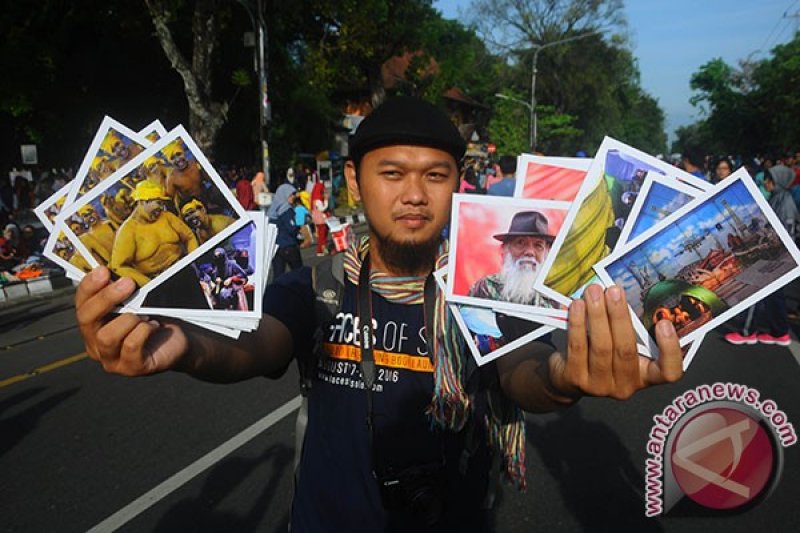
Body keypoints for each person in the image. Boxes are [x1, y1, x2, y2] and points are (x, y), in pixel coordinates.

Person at [74, 96, 683, 532]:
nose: (413, 194)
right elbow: (255, 344)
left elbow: (524, 373)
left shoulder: (485, 292)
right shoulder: (316, 285)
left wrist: (567, 377)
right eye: (391, 173)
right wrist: (185, 346)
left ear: (457, 184)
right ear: (354, 181)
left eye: (434, 176)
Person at [724, 164, 798, 346]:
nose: (765, 182)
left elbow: (786, 233)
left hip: (777, 256)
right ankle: (780, 333)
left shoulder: (784, 202)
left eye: (769, 179)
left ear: (777, 181)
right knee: (774, 295)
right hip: (778, 256)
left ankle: (747, 331)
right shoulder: (779, 199)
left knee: (757, 289)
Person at [110, 181, 199, 287]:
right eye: (159, 203)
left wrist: (193, 260)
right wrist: (149, 285)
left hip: (185, 269)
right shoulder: (127, 230)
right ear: (143, 202)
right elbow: (118, 266)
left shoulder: (167, 216)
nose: (161, 207)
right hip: (158, 282)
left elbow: (189, 236)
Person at [469, 211, 557, 308]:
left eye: (538, 245)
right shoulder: (486, 287)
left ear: (545, 253)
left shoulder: (551, 297)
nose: (530, 252)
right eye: (520, 243)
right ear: (506, 249)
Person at [267, 183, 302, 276]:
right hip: (289, 245)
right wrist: (298, 227)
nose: (294, 197)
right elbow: (292, 228)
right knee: (299, 273)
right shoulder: (286, 210)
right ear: (285, 195)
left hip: (276, 247)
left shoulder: (272, 210)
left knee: (278, 275)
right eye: (292, 194)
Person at [311, 178, 329, 256]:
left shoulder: (314, 198)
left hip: (317, 220)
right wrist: (326, 200)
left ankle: (323, 249)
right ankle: (320, 250)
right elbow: (322, 208)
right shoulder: (318, 199)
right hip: (321, 220)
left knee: (321, 235)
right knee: (322, 236)